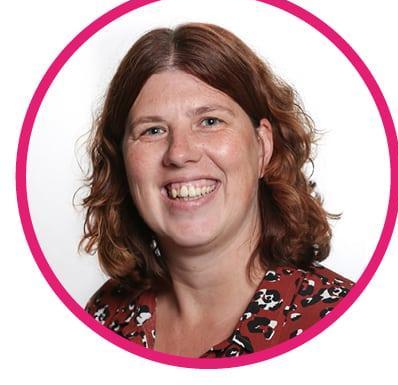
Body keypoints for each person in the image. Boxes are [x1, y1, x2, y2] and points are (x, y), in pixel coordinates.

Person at [80, 22, 354, 358]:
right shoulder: (104, 317)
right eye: (152, 130)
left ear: (263, 147)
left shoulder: (342, 323)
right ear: (122, 161)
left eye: (210, 121)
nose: (179, 153)